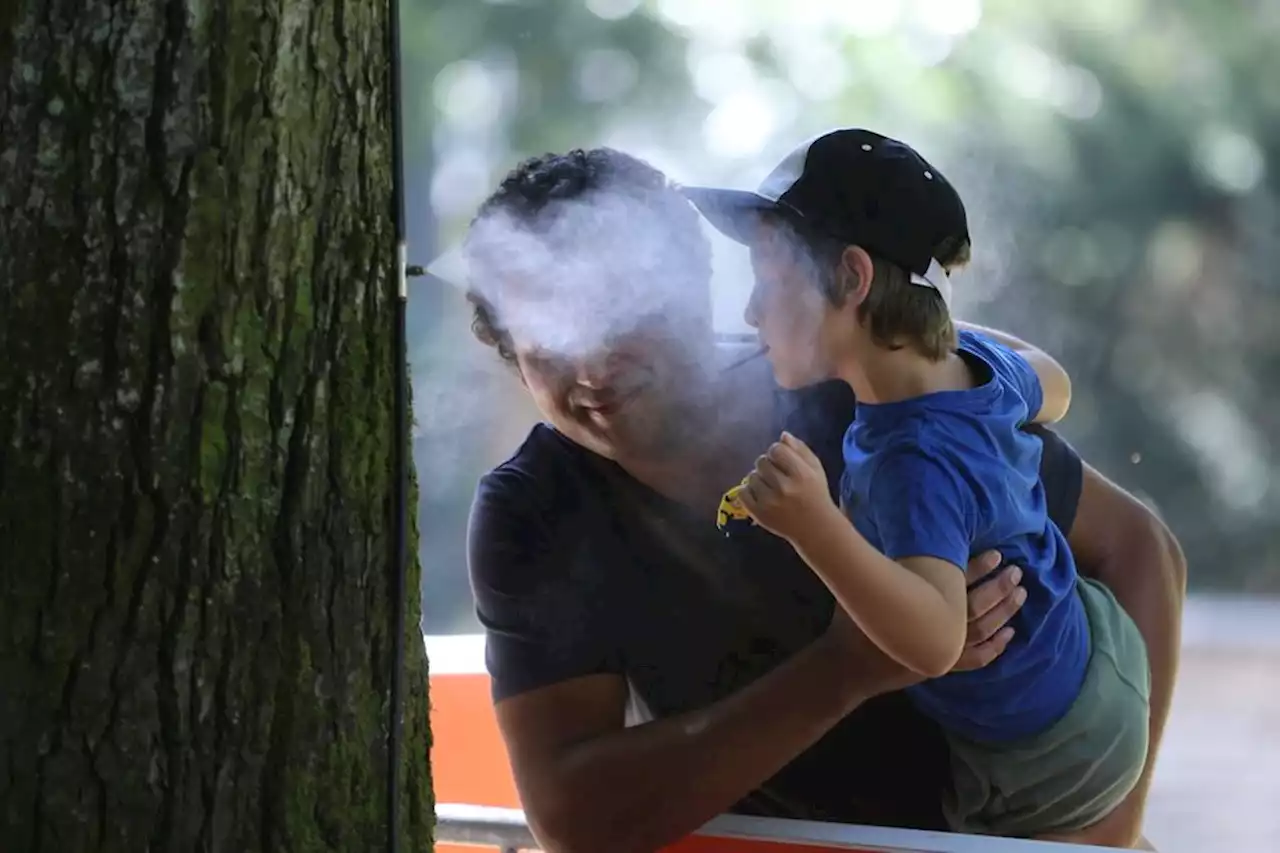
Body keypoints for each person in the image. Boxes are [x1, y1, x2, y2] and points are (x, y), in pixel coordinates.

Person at [460, 147, 1185, 853]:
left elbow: (1137, 548)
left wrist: (1108, 832)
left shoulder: (856, 388)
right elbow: (574, 818)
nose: (590, 367)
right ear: (511, 354)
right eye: (548, 338)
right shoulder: (535, 512)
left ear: (685, 287)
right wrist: (852, 665)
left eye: (614, 318)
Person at [689, 129, 1150, 844]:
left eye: (768, 281)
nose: (750, 313)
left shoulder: (913, 459)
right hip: (1097, 655)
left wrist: (813, 524)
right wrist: (926, 318)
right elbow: (1052, 381)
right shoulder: (976, 366)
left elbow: (936, 640)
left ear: (850, 278)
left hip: (1042, 754)